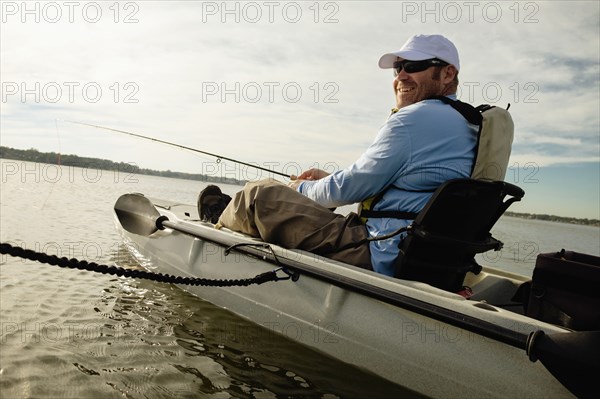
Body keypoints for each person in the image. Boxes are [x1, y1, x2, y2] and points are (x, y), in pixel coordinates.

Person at [204, 34, 477, 277]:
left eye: (414, 66)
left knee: (259, 194)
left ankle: (220, 221)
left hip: (380, 251)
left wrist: (299, 187)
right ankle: (234, 212)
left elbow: (349, 188)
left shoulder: (414, 119)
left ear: (448, 74)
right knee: (312, 199)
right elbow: (395, 181)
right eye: (398, 67)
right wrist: (330, 178)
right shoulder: (465, 123)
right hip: (427, 255)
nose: (401, 76)